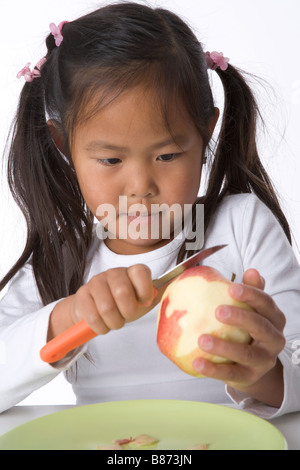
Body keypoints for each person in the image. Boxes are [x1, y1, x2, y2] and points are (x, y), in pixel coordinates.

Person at [0, 2, 300, 418]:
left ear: (205, 133)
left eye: (168, 155)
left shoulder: (243, 227)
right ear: (64, 145)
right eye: (110, 161)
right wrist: (69, 316)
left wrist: (259, 371)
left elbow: (297, 368)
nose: (140, 188)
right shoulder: (60, 259)